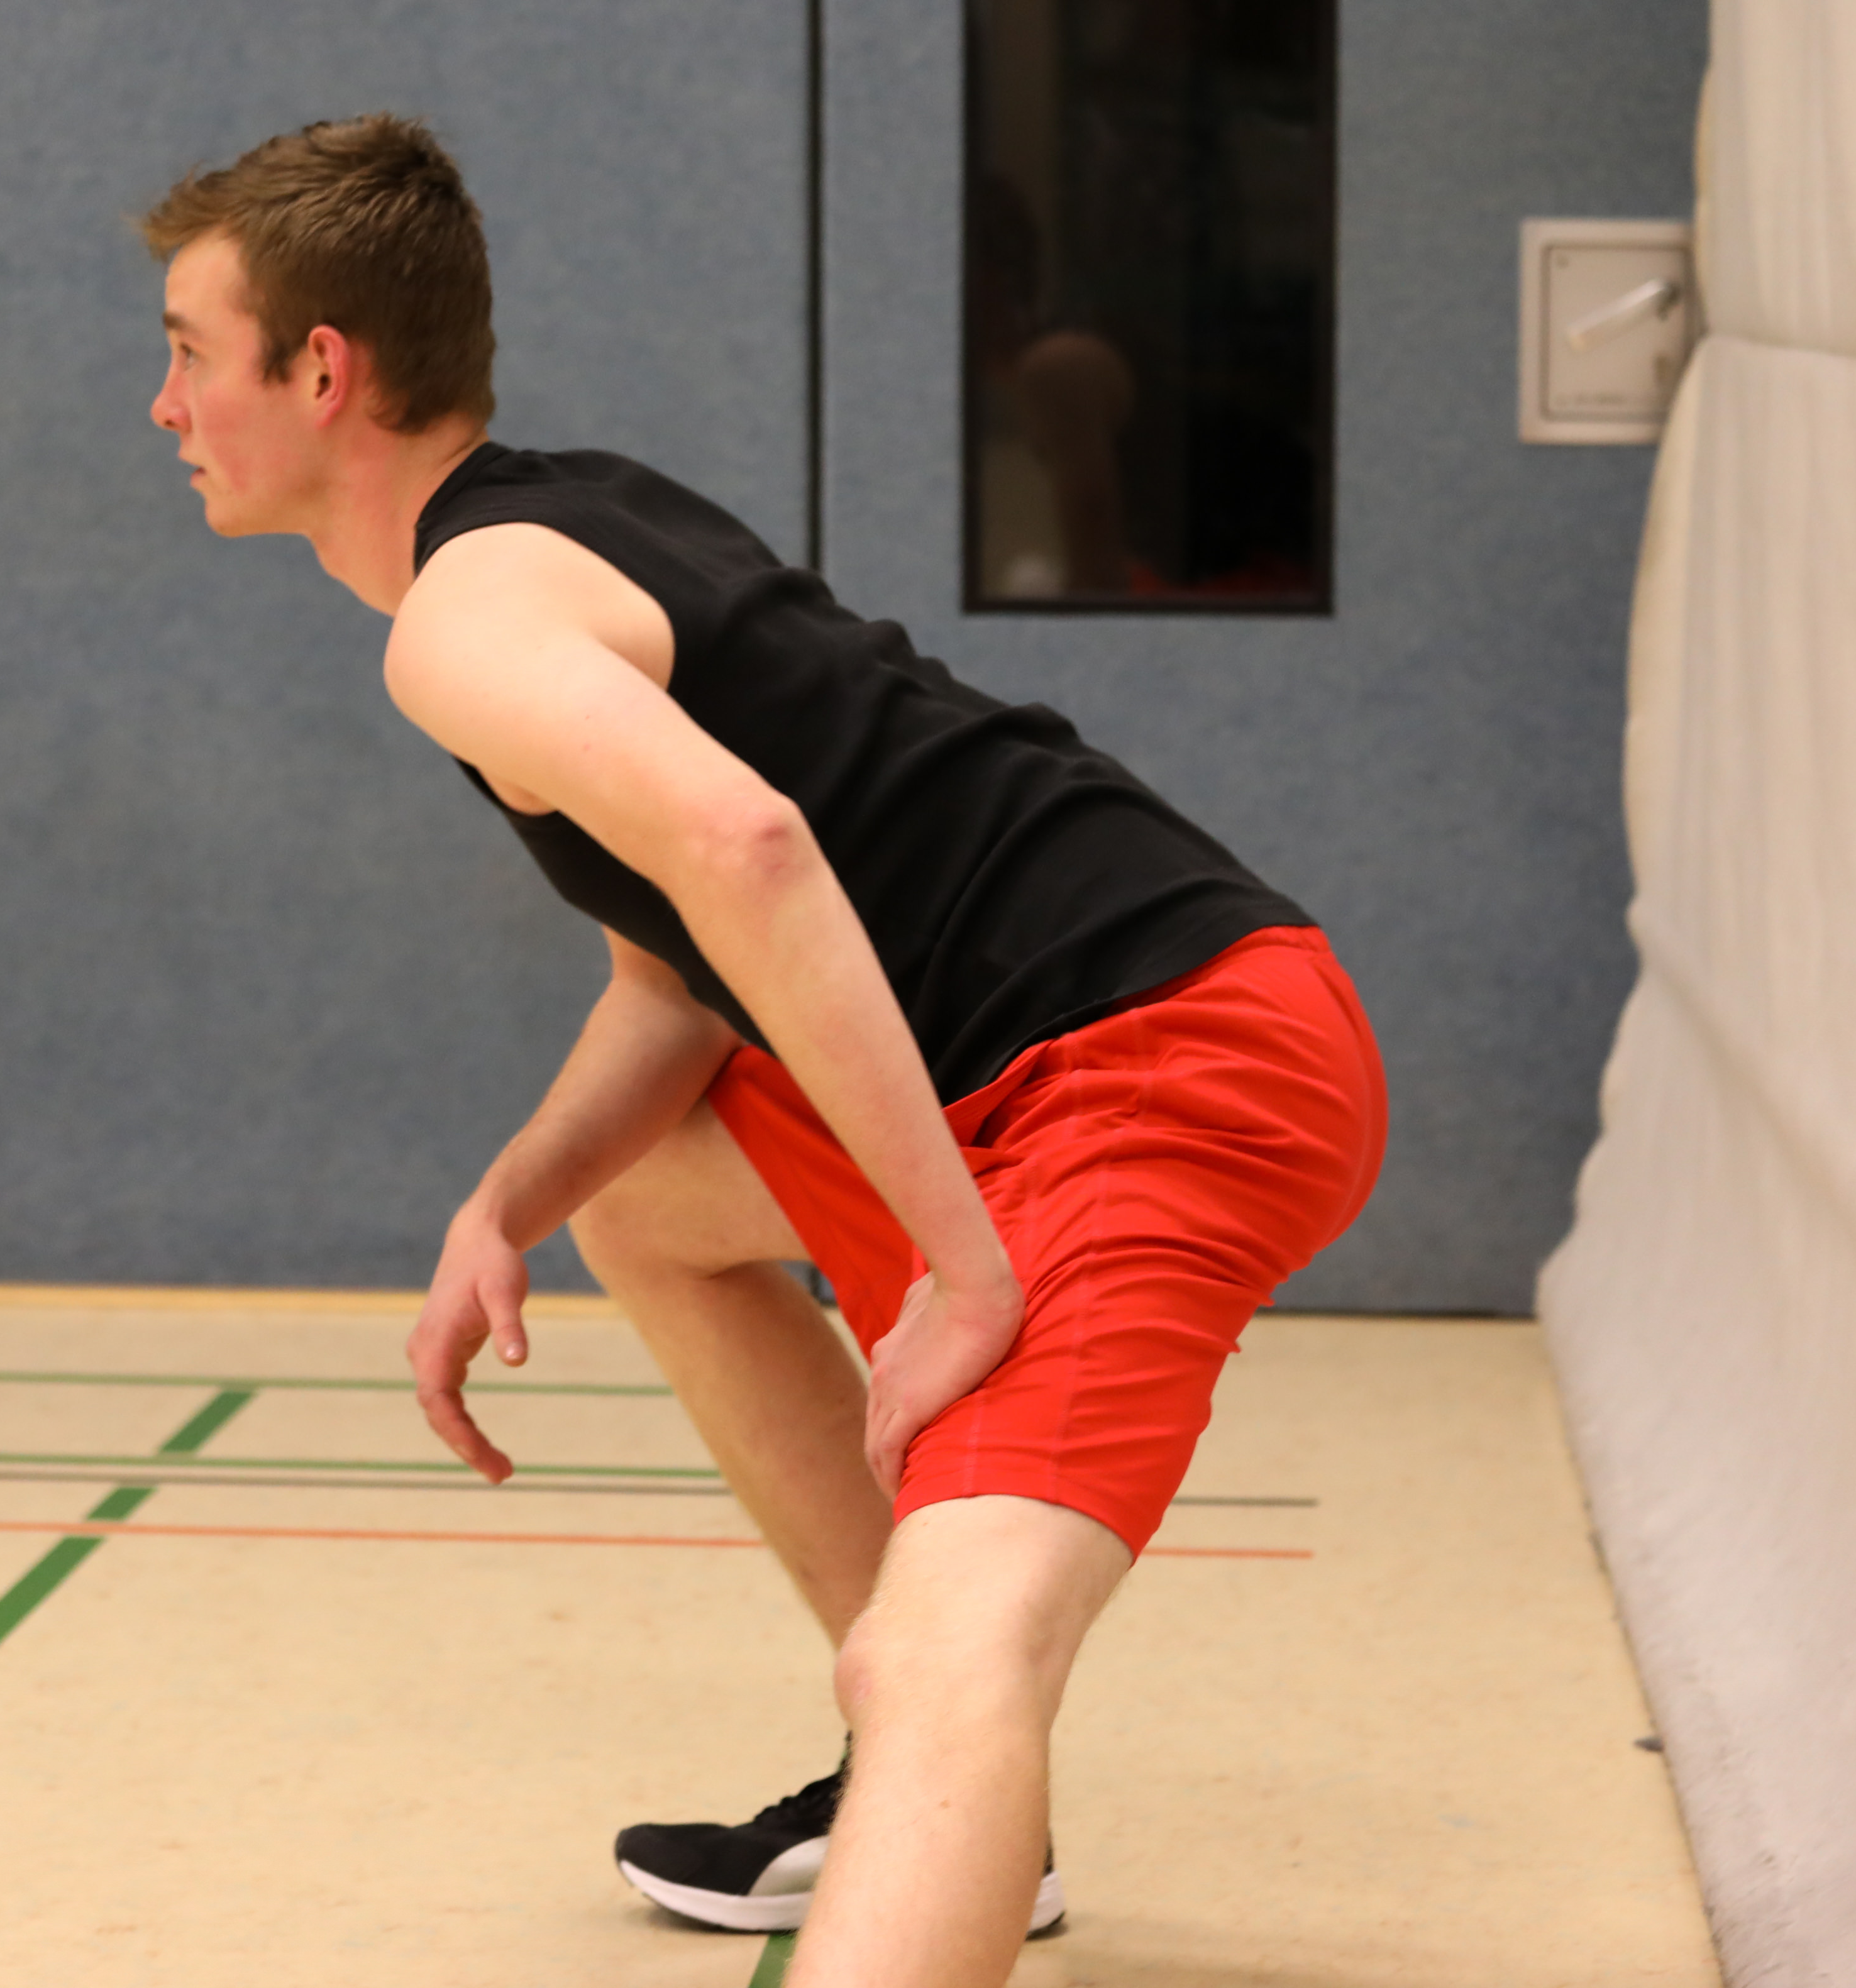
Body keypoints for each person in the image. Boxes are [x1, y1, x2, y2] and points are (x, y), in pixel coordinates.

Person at [139, 114, 1386, 1988]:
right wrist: (509, 1205)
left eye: (186, 351)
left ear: (321, 371)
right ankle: (942, 1794)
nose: (164, 404)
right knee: (649, 1198)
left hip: (1156, 1060)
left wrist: (966, 1267)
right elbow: (680, 977)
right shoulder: (562, 522)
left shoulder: (464, 622)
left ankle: (938, 1734)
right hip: (1085, 1043)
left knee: (953, 1648)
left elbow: (753, 849)